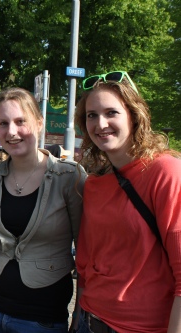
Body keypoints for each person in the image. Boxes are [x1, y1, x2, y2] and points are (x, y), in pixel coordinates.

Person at [0, 87, 86, 333]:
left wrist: (79, 315)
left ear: (39, 123)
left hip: (40, 318)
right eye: (3, 123)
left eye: (20, 121)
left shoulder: (69, 176)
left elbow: (86, 252)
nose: (11, 132)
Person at [74, 71, 181, 332]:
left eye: (111, 112)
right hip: (90, 320)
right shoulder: (94, 184)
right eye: (92, 115)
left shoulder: (165, 172)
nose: (100, 124)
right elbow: (86, 268)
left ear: (134, 115)